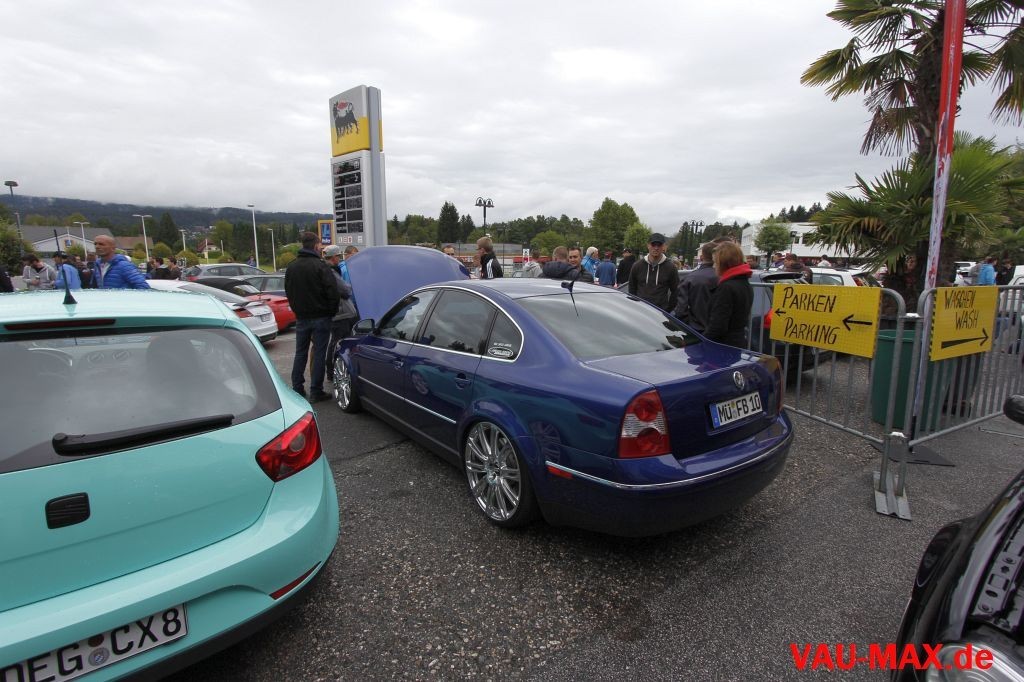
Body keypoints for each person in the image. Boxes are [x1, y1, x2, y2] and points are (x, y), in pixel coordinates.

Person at [285, 232, 340, 402]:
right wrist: (331, 312)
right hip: (321, 317)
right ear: (316, 245)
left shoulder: (292, 267)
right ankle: (316, 390)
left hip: (301, 317)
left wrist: (297, 310)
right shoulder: (321, 266)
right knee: (319, 354)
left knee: (300, 353)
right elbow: (333, 292)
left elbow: (289, 291)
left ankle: (297, 388)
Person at [704, 241, 754, 348]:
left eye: (715, 262)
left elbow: (718, 325)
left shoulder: (726, 287)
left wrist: (703, 343)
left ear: (723, 263)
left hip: (723, 346)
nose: (714, 266)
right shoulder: (744, 283)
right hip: (737, 343)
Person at [322, 245, 359, 385]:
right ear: (333, 257)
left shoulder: (329, 270)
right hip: (341, 314)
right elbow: (346, 289)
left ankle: (334, 370)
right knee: (338, 343)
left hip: (339, 313)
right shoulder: (332, 271)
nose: (340, 259)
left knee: (336, 342)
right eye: (338, 256)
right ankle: (333, 371)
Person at [674, 241, 718, 333]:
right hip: (719, 332)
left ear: (701, 257)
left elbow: (681, 310)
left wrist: (690, 325)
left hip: (695, 331)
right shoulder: (725, 278)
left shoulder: (689, 278)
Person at [628, 233, 679, 311]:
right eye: (653, 244)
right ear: (648, 245)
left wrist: (667, 310)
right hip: (640, 312)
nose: (656, 248)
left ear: (663, 247)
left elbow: (676, 291)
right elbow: (631, 289)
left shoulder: (671, 267)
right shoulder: (637, 266)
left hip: (660, 313)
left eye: (659, 245)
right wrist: (635, 307)